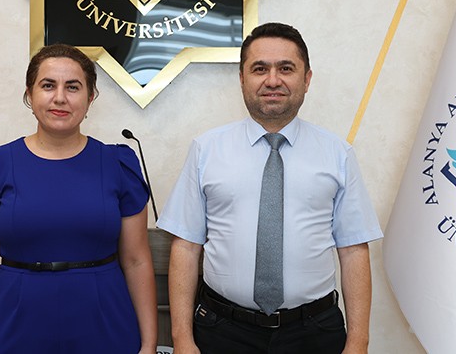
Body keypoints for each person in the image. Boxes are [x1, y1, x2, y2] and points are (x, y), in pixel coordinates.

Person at [157, 23, 383, 353]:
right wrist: (182, 338)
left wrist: (359, 342)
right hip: (222, 331)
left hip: (314, 333)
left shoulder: (338, 154)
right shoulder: (206, 150)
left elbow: (353, 251)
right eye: (259, 69)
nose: (273, 80)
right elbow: (186, 247)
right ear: (242, 78)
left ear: (307, 79)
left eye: (286, 69)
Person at [0, 44, 158, 354]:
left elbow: (136, 260)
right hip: (14, 329)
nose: (60, 97)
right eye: (48, 85)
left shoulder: (119, 165)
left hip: (105, 328)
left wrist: (149, 343)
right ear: (29, 94)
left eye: (73, 87)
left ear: (91, 98)